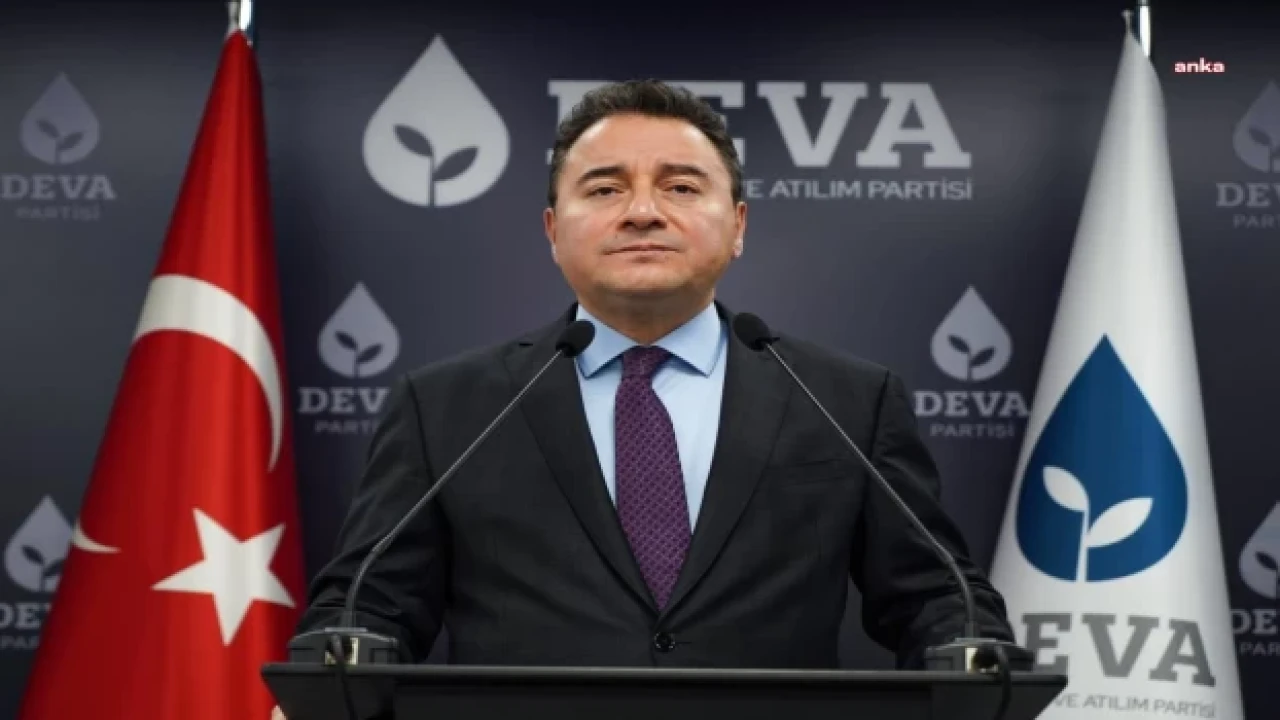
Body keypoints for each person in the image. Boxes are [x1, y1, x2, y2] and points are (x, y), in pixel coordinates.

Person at [272, 78, 1014, 719]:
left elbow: (936, 598)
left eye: (681, 187)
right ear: (553, 231)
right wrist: (325, 685)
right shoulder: (447, 407)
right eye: (604, 189)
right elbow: (368, 607)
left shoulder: (847, 400)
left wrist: (973, 662)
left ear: (738, 225)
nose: (642, 212)